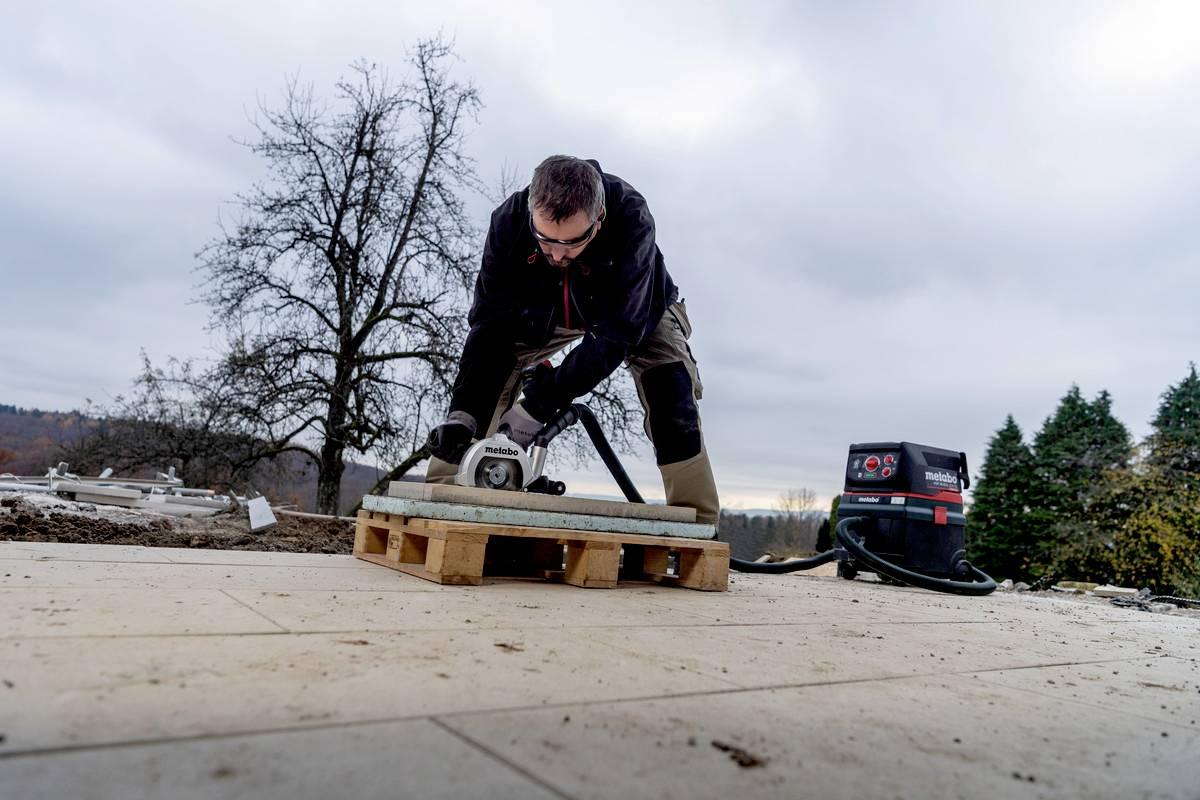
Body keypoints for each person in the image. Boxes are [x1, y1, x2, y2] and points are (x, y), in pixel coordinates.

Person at [423, 155, 719, 525]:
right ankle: (441, 496)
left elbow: (617, 334)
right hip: (543, 313)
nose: (558, 254)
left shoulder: (631, 216)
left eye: (573, 241)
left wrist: (539, 405)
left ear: (599, 219)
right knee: (489, 379)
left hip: (638, 309)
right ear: (531, 211)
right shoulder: (507, 222)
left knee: (670, 388)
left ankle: (698, 523)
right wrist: (463, 416)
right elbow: (488, 328)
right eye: (546, 240)